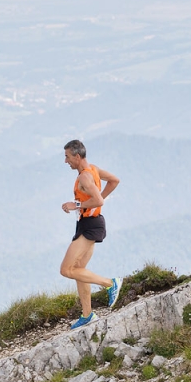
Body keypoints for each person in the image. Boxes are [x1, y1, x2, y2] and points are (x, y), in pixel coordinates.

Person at [60, 139, 122, 329]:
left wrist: (77, 205)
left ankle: (110, 283)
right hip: (89, 223)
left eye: (67, 157)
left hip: (90, 225)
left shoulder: (84, 177)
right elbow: (114, 181)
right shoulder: (93, 169)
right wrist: (94, 201)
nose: (66, 161)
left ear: (77, 157)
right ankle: (87, 315)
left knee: (66, 270)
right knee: (79, 269)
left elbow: (99, 201)